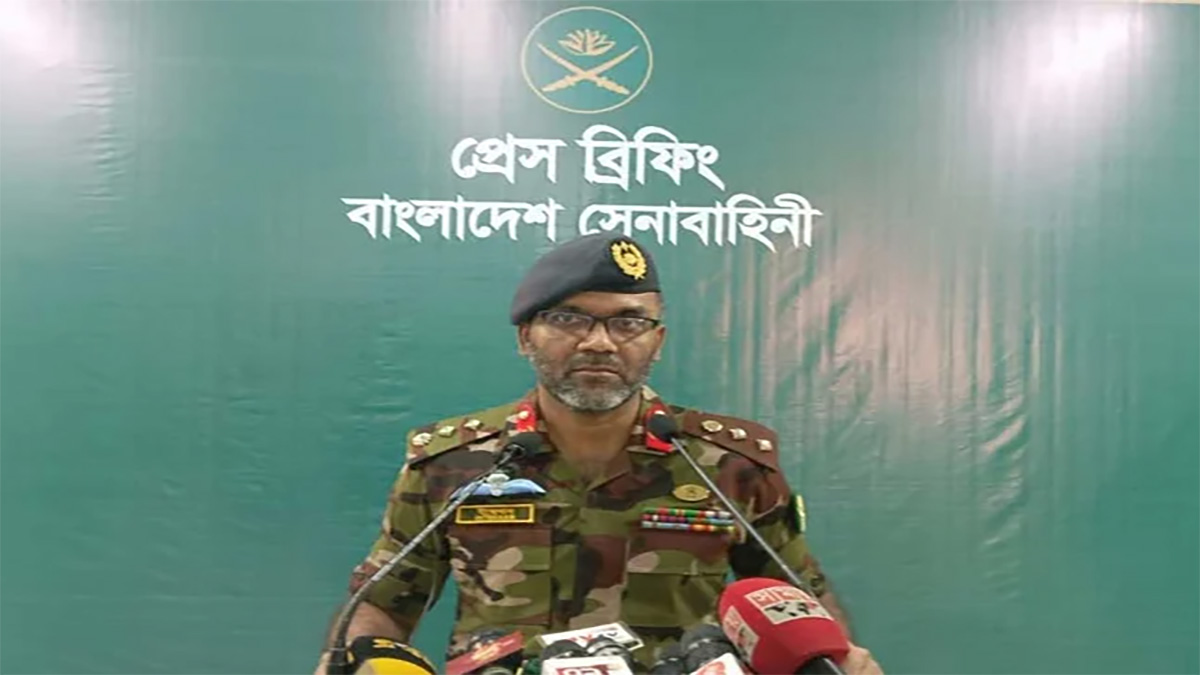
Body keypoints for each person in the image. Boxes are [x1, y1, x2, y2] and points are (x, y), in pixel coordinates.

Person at [316, 234, 882, 674]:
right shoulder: (451, 463)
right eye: (568, 319)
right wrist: (355, 659)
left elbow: (798, 600)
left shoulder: (727, 464)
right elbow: (385, 603)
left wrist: (835, 660)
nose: (599, 342)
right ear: (525, 336)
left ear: (656, 340)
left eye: (628, 322)